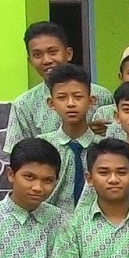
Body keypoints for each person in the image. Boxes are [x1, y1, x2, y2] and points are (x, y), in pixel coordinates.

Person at [4, 21, 112, 152]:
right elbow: (18, 154)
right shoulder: (23, 105)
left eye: (53, 52)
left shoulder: (101, 95)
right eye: (37, 55)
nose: (46, 60)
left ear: (68, 54)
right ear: (30, 60)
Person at [38, 63, 101, 212]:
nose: (71, 104)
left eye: (78, 97)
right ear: (51, 103)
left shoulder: (104, 148)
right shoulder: (42, 146)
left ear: (91, 101)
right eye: (62, 98)